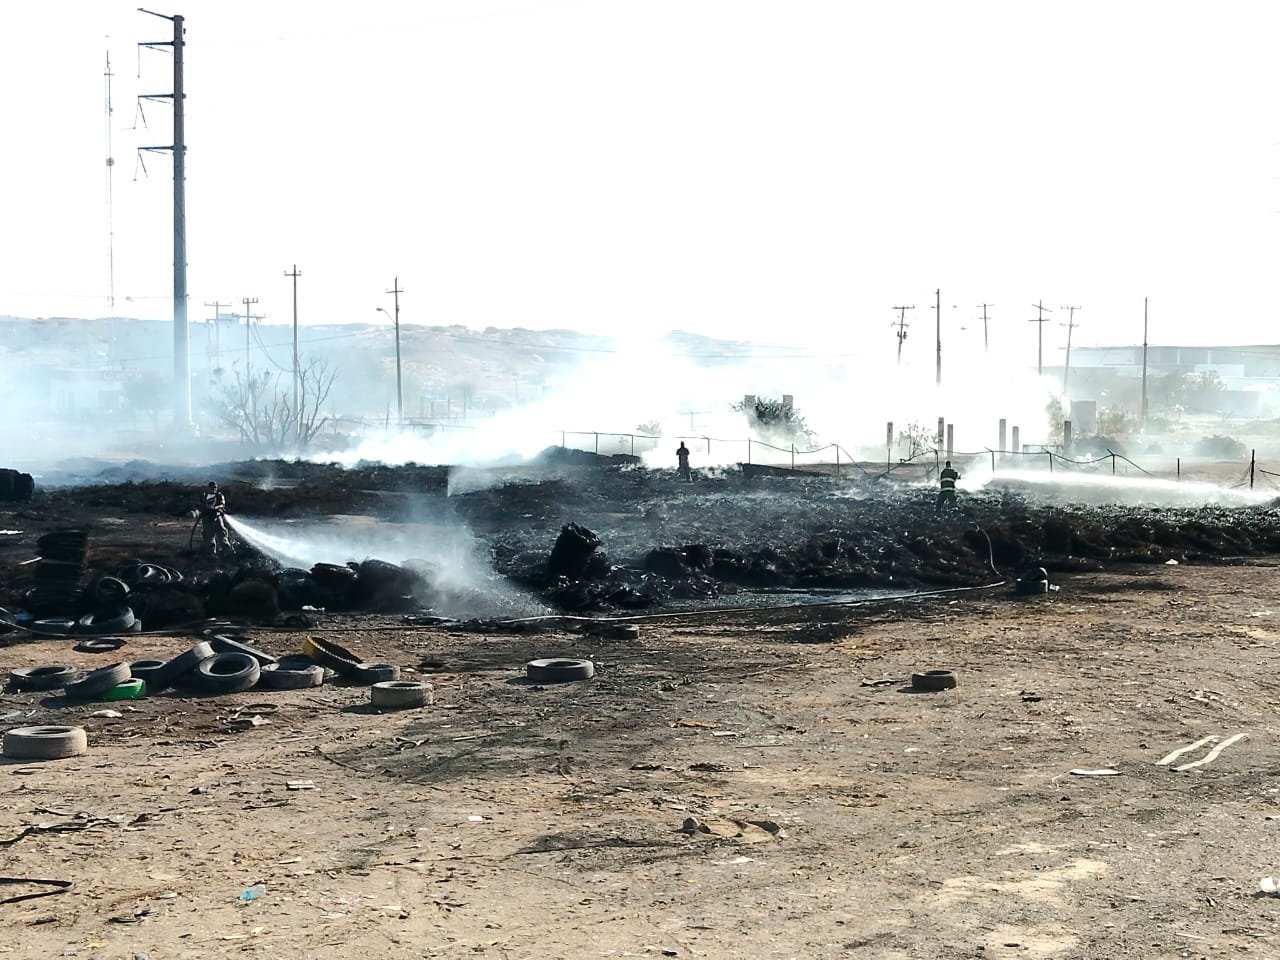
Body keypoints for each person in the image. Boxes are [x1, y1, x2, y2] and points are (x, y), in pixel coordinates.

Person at [198, 481, 233, 557]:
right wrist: (204, 508)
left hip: (217, 517)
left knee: (222, 535)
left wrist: (215, 508)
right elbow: (201, 505)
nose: (214, 489)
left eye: (215, 487)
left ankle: (227, 552)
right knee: (208, 537)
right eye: (212, 487)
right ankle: (211, 554)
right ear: (208, 488)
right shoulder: (204, 496)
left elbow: (222, 504)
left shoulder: (219, 495)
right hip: (207, 519)